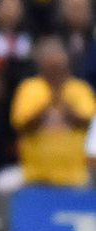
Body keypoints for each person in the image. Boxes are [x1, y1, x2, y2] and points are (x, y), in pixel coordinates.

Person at [11, 37, 95, 187]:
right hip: (35, 176)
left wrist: (66, 106)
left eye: (60, 68)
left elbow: (90, 124)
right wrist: (48, 104)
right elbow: (21, 125)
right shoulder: (30, 88)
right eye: (52, 69)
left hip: (75, 177)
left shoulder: (80, 89)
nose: (57, 74)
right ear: (42, 67)